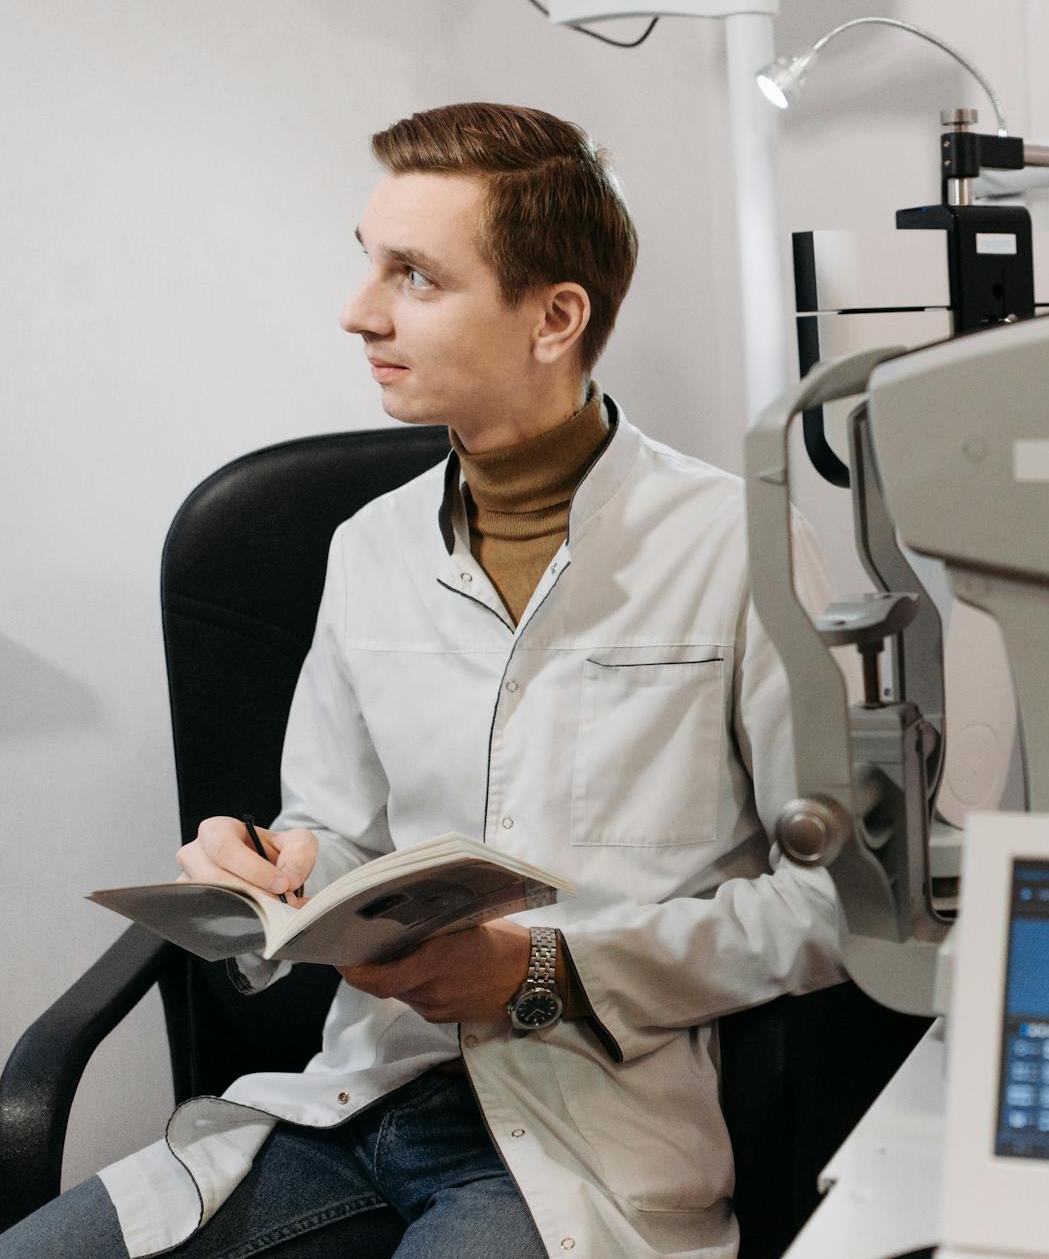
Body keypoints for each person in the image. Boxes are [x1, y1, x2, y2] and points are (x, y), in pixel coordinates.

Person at [0, 102, 845, 1259]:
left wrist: (538, 966)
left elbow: (833, 907)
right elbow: (337, 832)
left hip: (581, 1130)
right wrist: (280, 871)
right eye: (369, 264)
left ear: (555, 317)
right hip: (351, 1101)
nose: (360, 311)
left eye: (414, 275)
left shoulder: (739, 544)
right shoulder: (369, 549)